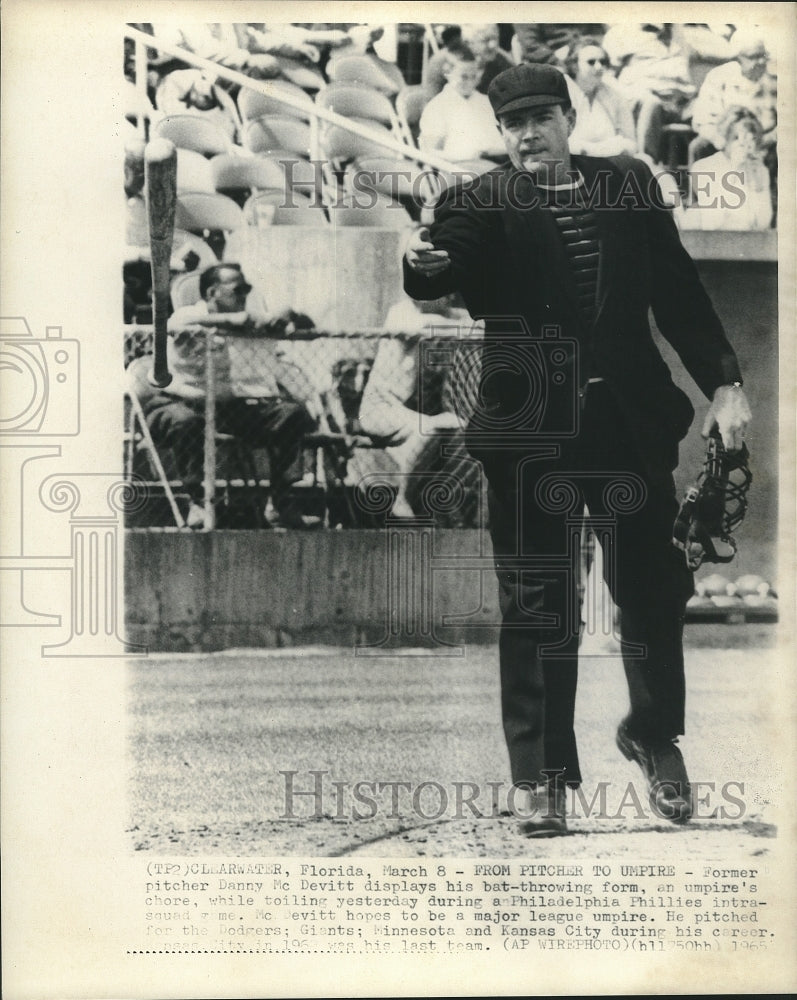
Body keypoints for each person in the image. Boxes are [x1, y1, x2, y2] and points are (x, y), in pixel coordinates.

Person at [403, 64, 751, 835]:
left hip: (626, 423)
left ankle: (651, 733)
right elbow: (442, 258)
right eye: (513, 123)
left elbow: (678, 292)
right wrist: (425, 266)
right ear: (500, 133)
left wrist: (723, 384)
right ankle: (542, 779)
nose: (529, 134)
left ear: (567, 117)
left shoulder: (627, 183)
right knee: (538, 607)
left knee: (653, 589)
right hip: (528, 433)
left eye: (541, 118)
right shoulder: (478, 200)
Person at [128, 263, 318, 529]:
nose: (244, 296)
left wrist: (289, 315)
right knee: (187, 422)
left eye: (247, 289)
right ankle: (197, 503)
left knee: (292, 415)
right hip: (176, 405)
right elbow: (172, 324)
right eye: (237, 289)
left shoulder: (248, 320)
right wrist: (230, 321)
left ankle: (281, 501)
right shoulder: (190, 315)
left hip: (228, 409)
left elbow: (307, 328)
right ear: (212, 293)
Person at [685, 108, 773, 230]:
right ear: (724, 139)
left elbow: (763, 223)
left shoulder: (761, 171)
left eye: (751, 139)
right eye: (736, 138)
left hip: (749, 243)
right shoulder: (703, 167)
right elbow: (713, 223)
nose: (744, 145)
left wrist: (756, 185)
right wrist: (733, 171)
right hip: (714, 243)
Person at [418, 42, 505, 162]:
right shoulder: (438, 106)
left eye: (473, 77)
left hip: (494, 162)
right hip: (458, 167)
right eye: (464, 77)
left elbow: (498, 140)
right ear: (448, 73)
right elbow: (428, 153)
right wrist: (465, 156)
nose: (470, 82)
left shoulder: (484, 101)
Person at [564, 37, 636, 157]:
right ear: (574, 65)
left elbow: (631, 143)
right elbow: (560, 143)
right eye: (591, 62)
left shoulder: (614, 94)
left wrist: (591, 150)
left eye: (602, 62)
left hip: (612, 161)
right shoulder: (562, 91)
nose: (599, 67)